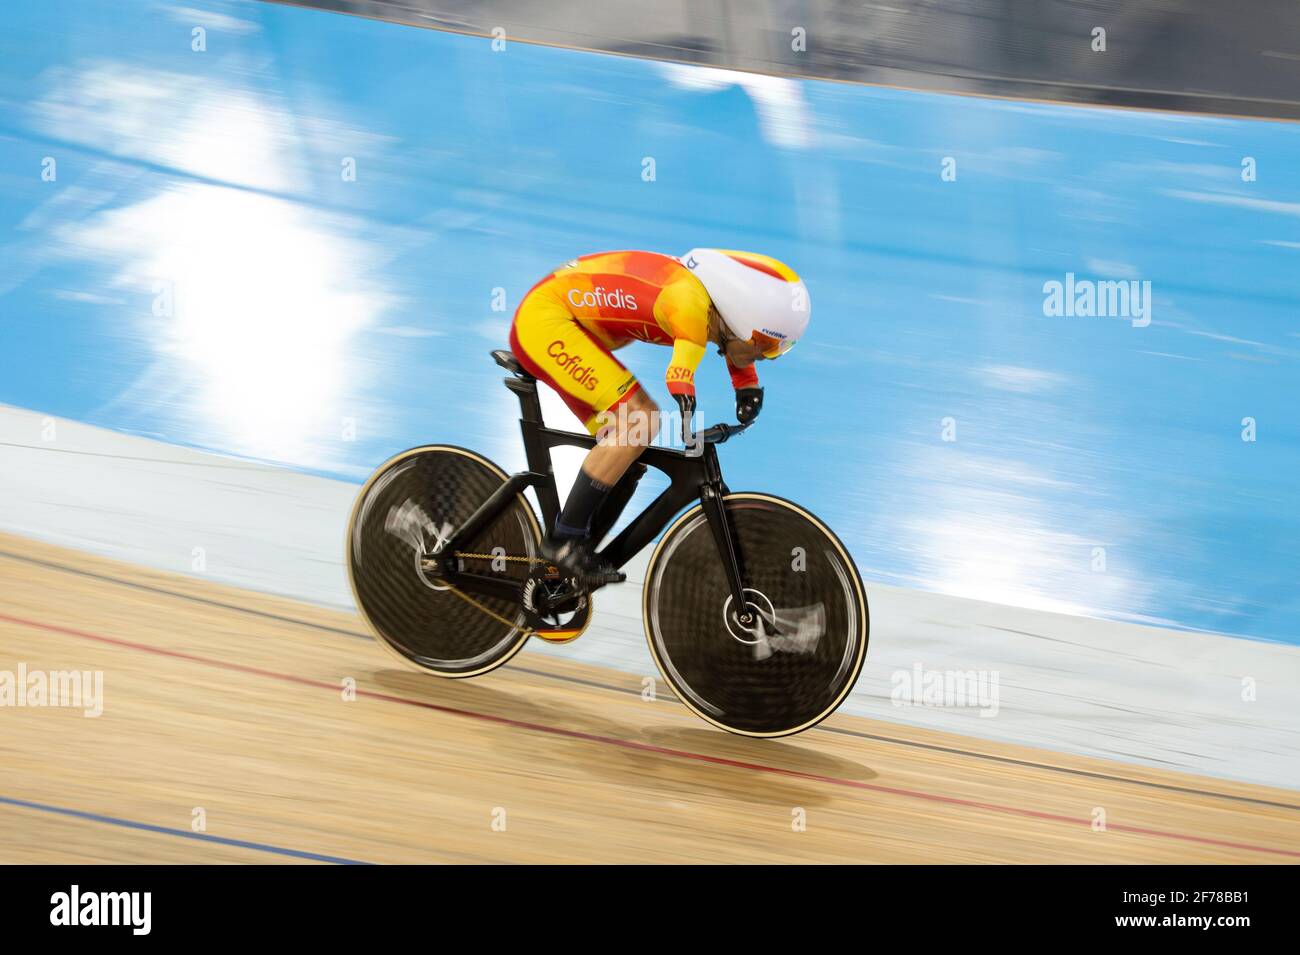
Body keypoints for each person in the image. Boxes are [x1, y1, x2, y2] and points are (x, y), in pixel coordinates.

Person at [508, 248, 810, 584]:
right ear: (741, 318)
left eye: (780, 349)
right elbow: (680, 372)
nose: (768, 356)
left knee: (624, 455)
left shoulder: (715, 309)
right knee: (640, 422)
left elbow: (734, 342)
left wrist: (747, 385)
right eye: (767, 344)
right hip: (546, 323)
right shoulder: (688, 302)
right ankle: (561, 545)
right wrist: (687, 398)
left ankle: (576, 553)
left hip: (571, 327)